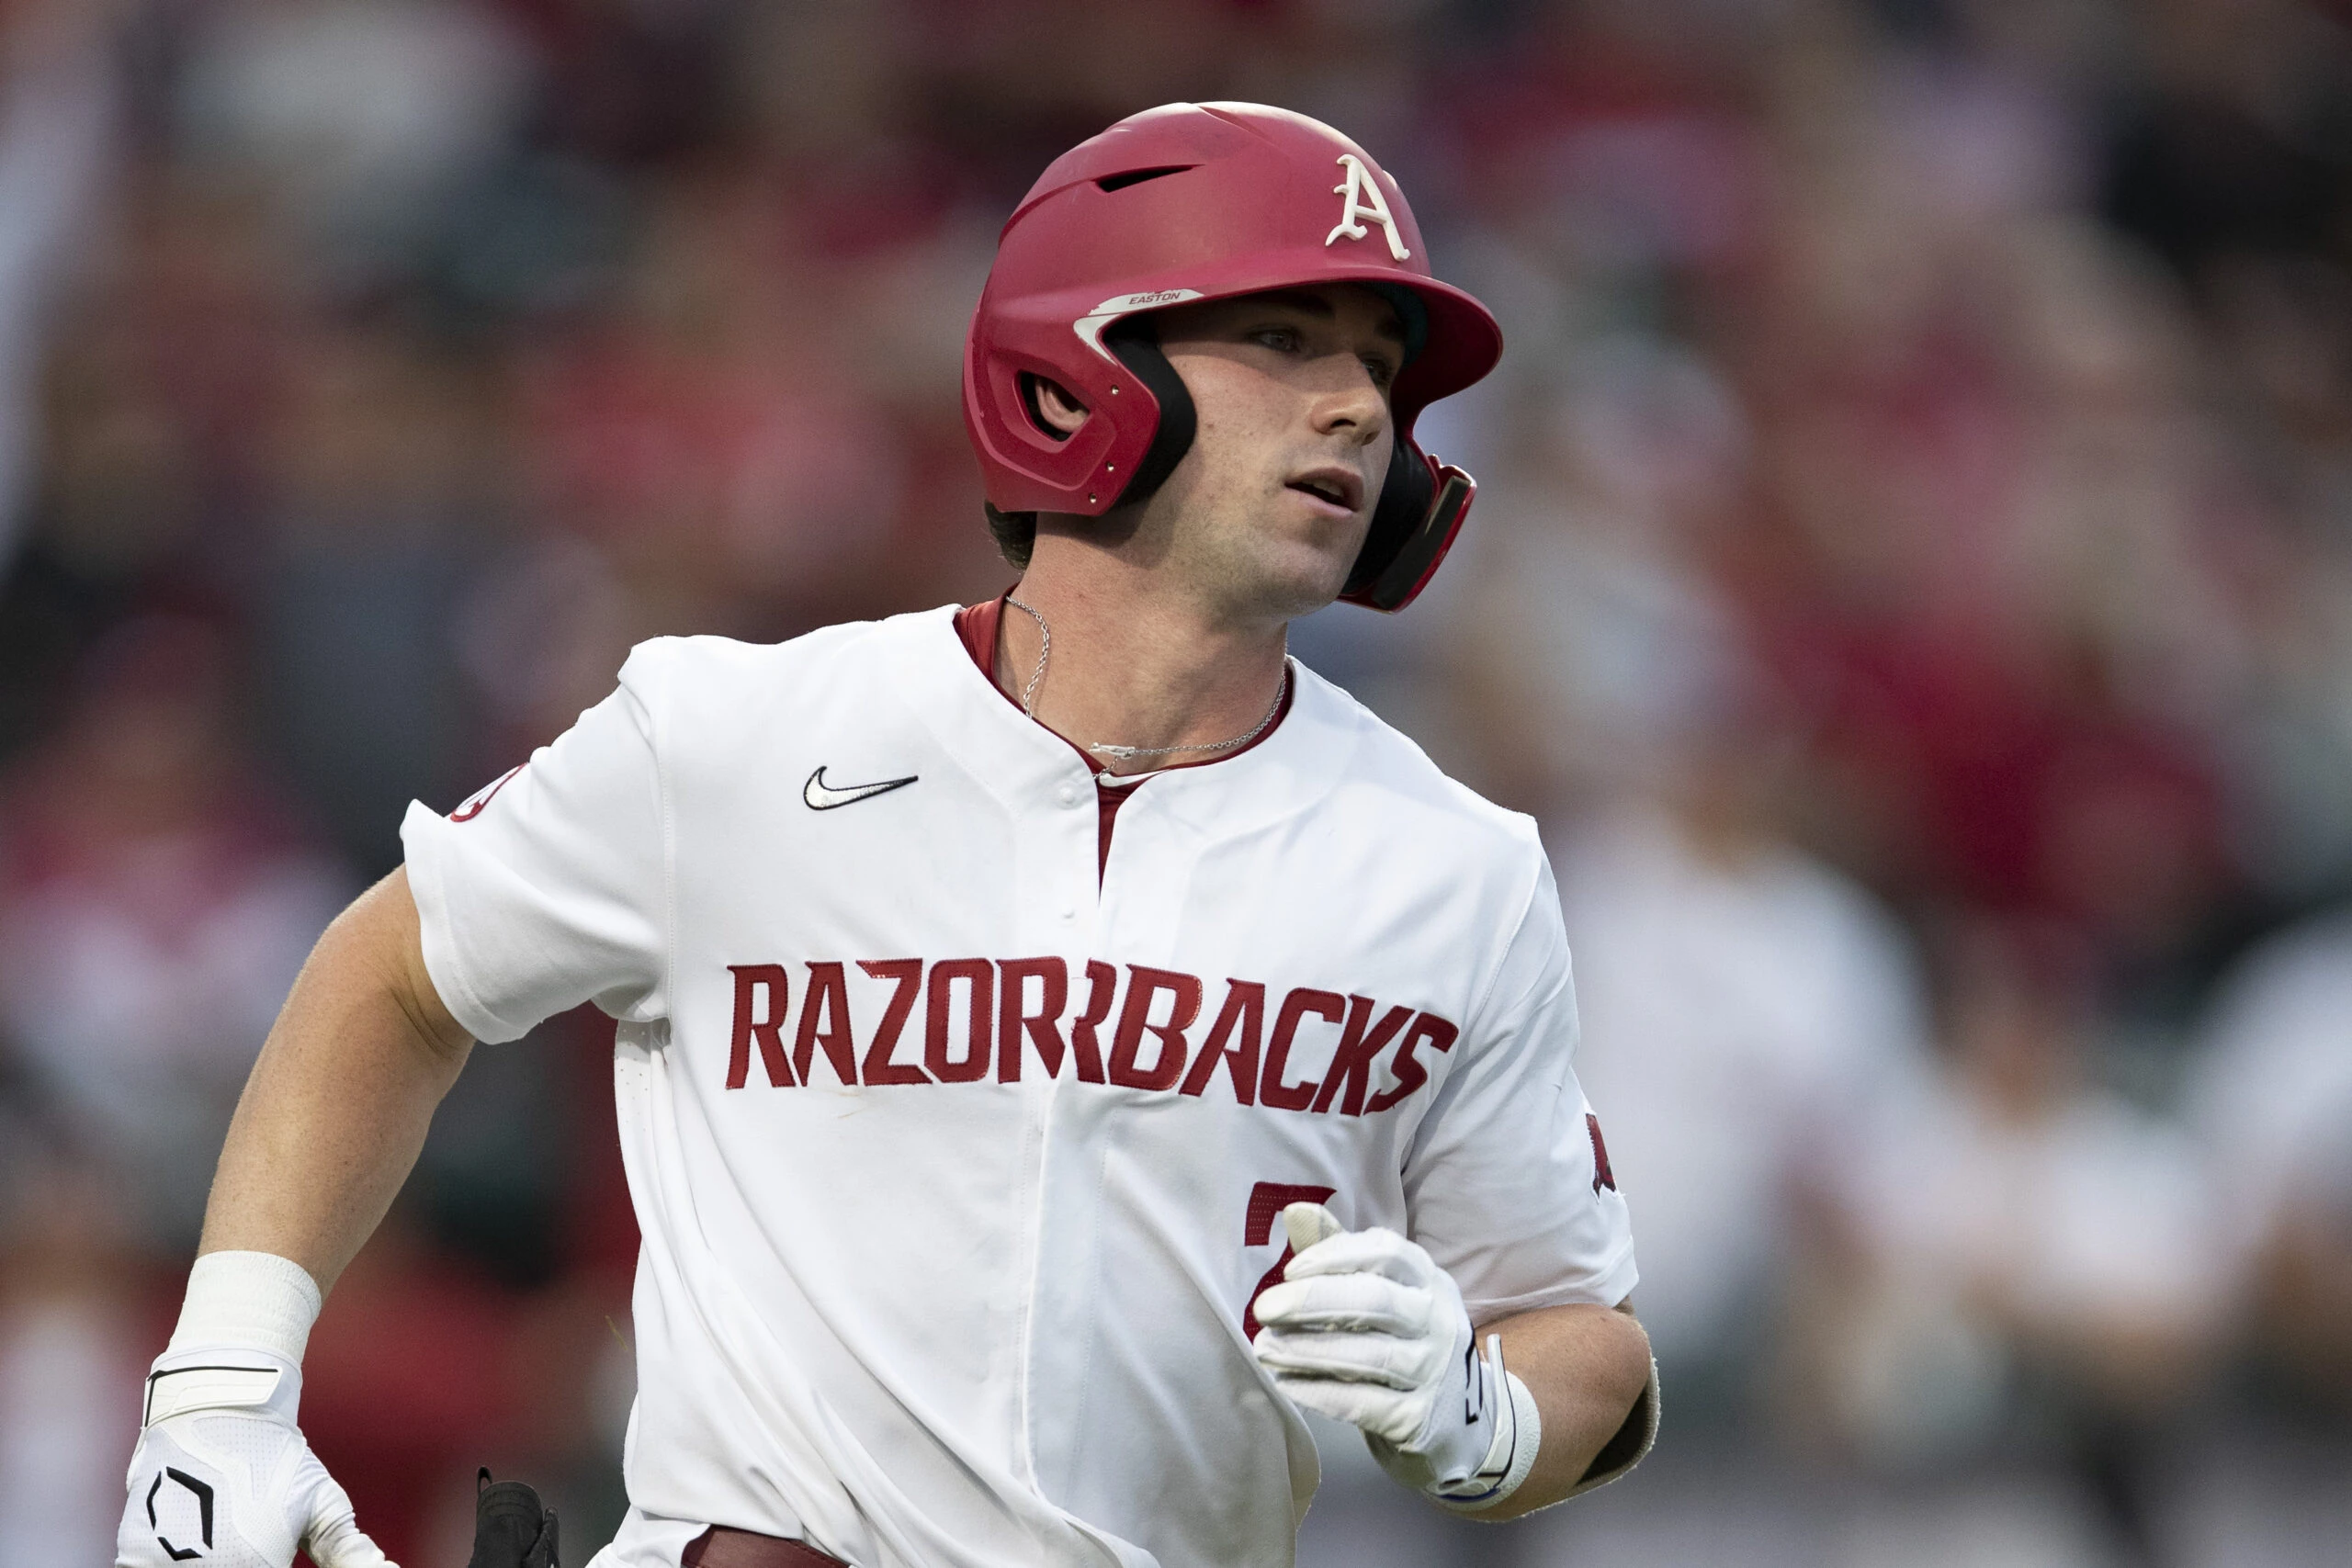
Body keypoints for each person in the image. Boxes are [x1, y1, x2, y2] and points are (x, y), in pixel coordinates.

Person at [114, 103, 1657, 1568]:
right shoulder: (733, 737)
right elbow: (394, 973)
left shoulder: (1456, 869)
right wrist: (222, 1390)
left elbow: (1590, 1339)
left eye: (1384, 368)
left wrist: (1488, 1409)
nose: (1358, 405)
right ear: (1075, 372)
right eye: (1280, 337)